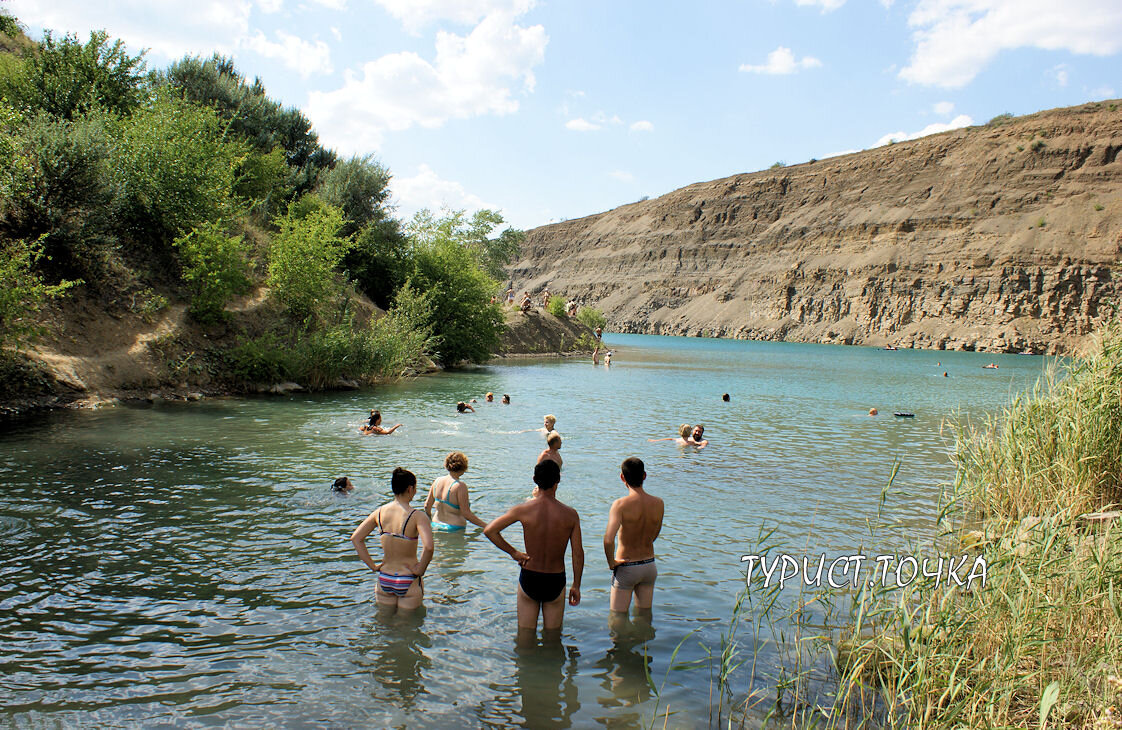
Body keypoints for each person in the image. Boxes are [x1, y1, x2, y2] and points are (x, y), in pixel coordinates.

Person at [483, 461, 583, 633]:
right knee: (553, 636)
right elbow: (578, 554)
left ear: (534, 480)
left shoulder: (522, 509)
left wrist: (513, 552)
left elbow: (490, 530)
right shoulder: (570, 515)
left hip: (530, 576)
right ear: (557, 481)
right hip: (556, 579)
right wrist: (576, 585)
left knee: (525, 634)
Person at [351, 468, 434, 611]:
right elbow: (429, 547)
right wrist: (420, 570)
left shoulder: (379, 512)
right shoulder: (417, 516)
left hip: (384, 578)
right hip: (408, 578)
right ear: (410, 489)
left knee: (383, 625)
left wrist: (372, 566)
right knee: (406, 628)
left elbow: (356, 538)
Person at [603, 457, 663, 613]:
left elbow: (608, 540)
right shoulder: (658, 503)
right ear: (644, 475)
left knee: (617, 619)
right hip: (649, 566)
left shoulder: (620, 505)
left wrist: (611, 562)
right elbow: (654, 536)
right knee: (644, 616)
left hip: (626, 566)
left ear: (622, 477)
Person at [424, 451, 487, 532]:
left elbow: (426, 506)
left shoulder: (437, 481)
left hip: (436, 525)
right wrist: (486, 526)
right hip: (454, 528)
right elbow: (466, 513)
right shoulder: (460, 486)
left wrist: (430, 520)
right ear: (464, 467)